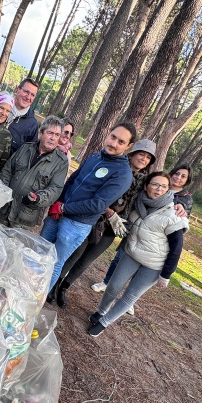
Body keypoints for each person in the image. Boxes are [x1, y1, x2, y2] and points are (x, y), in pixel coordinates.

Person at [50, 138, 157, 308]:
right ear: (132, 153)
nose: (143, 159)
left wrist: (180, 204)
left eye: (148, 157)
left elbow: (160, 192)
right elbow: (98, 195)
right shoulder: (118, 170)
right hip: (94, 219)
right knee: (75, 254)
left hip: (113, 228)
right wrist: (109, 212)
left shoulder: (145, 182)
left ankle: (64, 287)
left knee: (86, 261)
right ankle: (55, 284)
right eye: (141, 154)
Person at [87, 172, 189, 337]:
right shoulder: (137, 203)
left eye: (164, 186)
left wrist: (166, 274)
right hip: (131, 254)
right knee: (113, 286)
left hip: (154, 265)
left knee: (130, 296)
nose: (159, 189)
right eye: (155, 184)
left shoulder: (173, 214)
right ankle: (101, 311)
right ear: (146, 186)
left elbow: (176, 248)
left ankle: (104, 323)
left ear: (168, 190)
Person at [40, 122, 137, 292]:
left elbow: (98, 204)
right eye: (113, 137)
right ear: (108, 134)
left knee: (54, 262)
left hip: (76, 225)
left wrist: (63, 208)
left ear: (128, 146)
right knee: (39, 253)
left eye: (121, 142)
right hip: (58, 214)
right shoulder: (95, 157)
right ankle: (22, 290)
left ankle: (36, 299)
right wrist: (57, 203)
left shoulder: (122, 174)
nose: (114, 143)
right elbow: (72, 181)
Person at [90, 163, 194, 296]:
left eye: (183, 176)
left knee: (139, 269)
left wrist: (179, 206)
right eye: (177, 173)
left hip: (153, 240)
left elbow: (180, 220)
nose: (178, 177)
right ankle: (106, 283)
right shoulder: (157, 183)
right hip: (136, 229)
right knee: (119, 258)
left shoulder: (185, 199)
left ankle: (128, 295)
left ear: (187, 180)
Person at [0, 116, 68, 228]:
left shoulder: (61, 162)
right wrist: (3, 192)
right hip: (4, 209)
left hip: (25, 218)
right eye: (50, 133)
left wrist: (38, 198)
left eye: (57, 135)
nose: (53, 138)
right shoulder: (25, 148)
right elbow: (7, 170)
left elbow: (55, 189)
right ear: (40, 133)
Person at [7, 78, 40, 154]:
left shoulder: (32, 125)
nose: (28, 97)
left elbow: (29, 154)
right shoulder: (0, 106)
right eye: (26, 92)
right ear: (16, 90)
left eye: (32, 95)